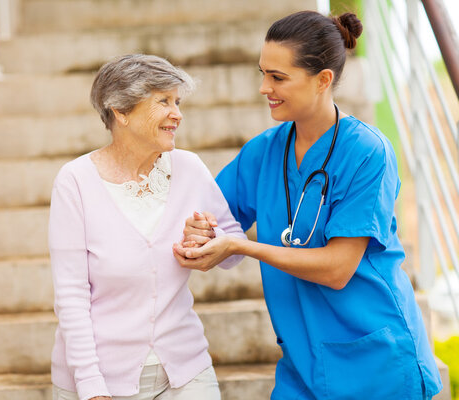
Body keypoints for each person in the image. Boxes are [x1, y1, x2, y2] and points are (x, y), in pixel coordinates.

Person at [173, 11, 443, 399]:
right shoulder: (263, 153)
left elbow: (337, 268)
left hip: (377, 360)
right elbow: (208, 214)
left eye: (278, 77)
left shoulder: (367, 153)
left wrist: (240, 246)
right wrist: (199, 229)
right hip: (302, 364)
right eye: (262, 73)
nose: (264, 87)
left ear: (323, 80)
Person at [48, 54, 246, 400]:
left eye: (178, 102)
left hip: (186, 371)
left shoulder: (189, 168)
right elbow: (70, 295)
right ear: (120, 112)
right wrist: (92, 387)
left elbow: (234, 248)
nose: (178, 114)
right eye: (163, 102)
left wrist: (210, 240)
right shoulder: (75, 182)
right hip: (101, 379)